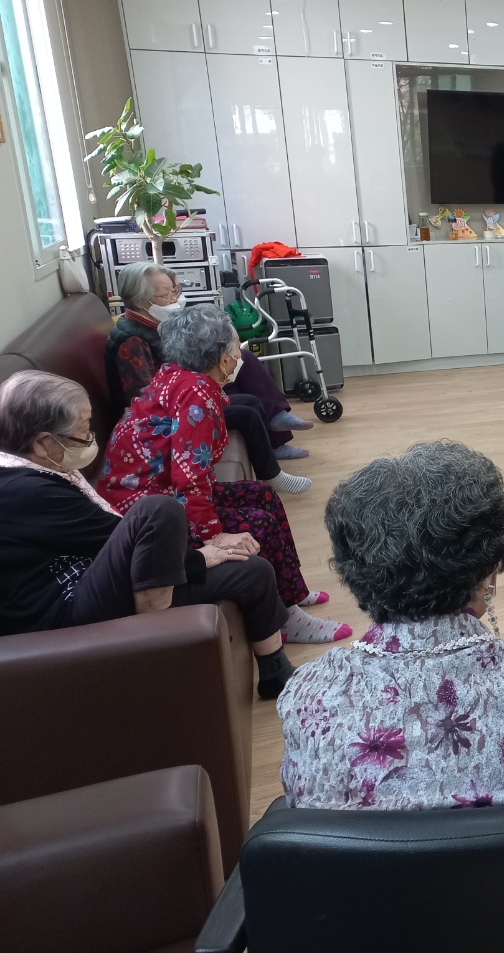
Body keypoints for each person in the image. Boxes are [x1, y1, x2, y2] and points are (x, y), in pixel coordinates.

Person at [278, 441, 504, 835]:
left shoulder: (307, 693)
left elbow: (301, 806)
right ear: (488, 569)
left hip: (365, 877)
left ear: (354, 571)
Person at [0, 370, 295, 697]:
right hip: (64, 610)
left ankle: (277, 675)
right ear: (43, 443)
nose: (89, 438)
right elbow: (115, 536)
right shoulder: (24, 492)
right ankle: (156, 631)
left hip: (90, 580)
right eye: (83, 430)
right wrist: (199, 559)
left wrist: (199, 558)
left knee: (252, 571)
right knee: (158, 510)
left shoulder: (41, 472)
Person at [98, 304, 350, 644]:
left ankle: (292, 591)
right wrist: (213, 536)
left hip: (159, 494)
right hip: (148, 515)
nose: (240, 354)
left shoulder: (178, 374)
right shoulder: (196, 395)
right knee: (259, 524)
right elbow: (190, 478)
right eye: (234, 347)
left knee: (263, 494)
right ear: (221, 359)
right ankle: (285, 618)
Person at [106, 262, 312, 493]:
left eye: (175, 291)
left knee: (248, 382)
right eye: (166, 295)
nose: (174, 299)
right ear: (141, 301)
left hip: (180, 394)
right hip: (169, 413)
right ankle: (273, 475)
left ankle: (276, 432)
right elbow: (145, 396)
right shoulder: (132, 341)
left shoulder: (150, 324)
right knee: (248, 412)